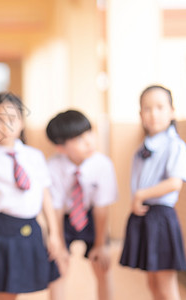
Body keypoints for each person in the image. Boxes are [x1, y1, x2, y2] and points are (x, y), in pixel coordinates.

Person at [0, 92, 61, 300]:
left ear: (21, 122)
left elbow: (45, 197)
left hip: (31, 230)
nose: (6, 125)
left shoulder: (35, 156)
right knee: (0, 291)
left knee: (19, 288)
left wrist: (54, 233)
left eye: (12, 119)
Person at [119, 85, 186, 300]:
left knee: (166, 284)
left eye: (160, 107)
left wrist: (140, 195)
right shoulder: (142, 148)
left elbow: (175, 183)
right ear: (140, 114)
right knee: (152, 282)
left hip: (161, 218)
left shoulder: (174, 145)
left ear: (172, 111)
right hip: (145, 217)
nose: (154, 114)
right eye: (147, 109)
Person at [45, 109, 118, 300]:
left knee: (103, 265)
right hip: (66, 218)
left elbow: (102, 208)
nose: (89, 142)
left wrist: (101, 245)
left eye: (89, 133)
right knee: (58, 267)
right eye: (78, 139)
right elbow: (56, 209)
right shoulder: (52, 167)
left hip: (92, 216)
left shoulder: (103, 165)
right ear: (60, 147)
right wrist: (59, 244)